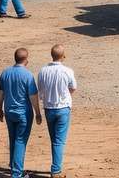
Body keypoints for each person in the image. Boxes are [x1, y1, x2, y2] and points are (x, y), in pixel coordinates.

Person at [0, 47, 41, 178]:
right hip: (24, 114)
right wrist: (38, 113)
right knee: (20, 141)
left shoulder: (5, 73)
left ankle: (14, 166)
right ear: (26, 60)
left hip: (9, 112)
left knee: (13, 139)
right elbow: (33, 96)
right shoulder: (27, 75)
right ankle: (17, 173)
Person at [36, 44, 75, 178]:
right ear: (63, 56)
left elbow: (40, 90)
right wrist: (66, 96)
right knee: (59, 141)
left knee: (54, 140)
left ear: (51, 55)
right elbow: (73, 87)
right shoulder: (68, 71)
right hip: (63, 108)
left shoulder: (43, 71)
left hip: (49, 109)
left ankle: (56, 167)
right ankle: (56, 170)